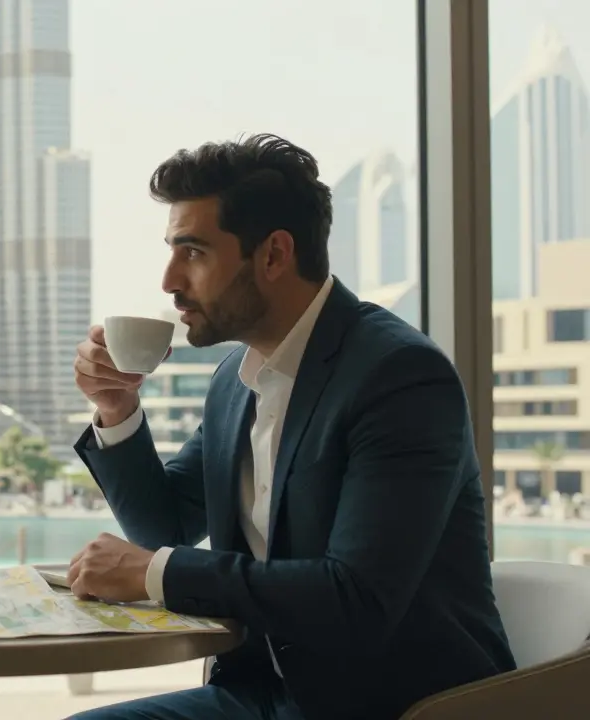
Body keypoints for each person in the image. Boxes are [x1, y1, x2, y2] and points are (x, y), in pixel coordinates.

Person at [66, 135, 515, 720]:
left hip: (394, 706)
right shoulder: (235, 382)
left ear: (274, 255)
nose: (170, 280)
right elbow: (165, 526)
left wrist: (155, 573)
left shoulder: (400, 377)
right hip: (263, 695)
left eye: (193, 252)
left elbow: (356, 598)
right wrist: (117, 409)